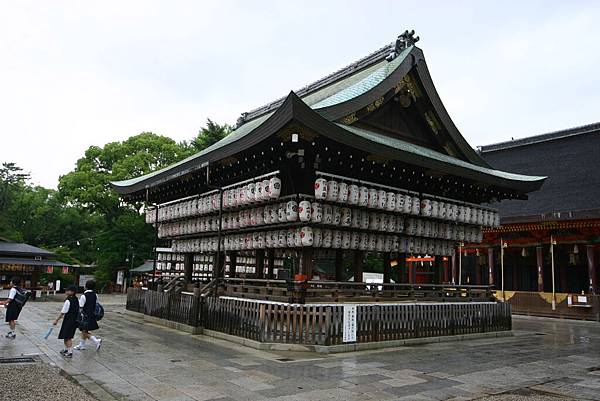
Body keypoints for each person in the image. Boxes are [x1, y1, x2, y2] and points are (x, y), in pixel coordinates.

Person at [74, 280, 102, 351]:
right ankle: (82, 345)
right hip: (92, 315)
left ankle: (96, 341)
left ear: (85, 286)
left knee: (84, 331)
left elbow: (80, 306)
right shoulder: (95, 295)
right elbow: (96, 304)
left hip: (84, 316)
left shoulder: (84, 296)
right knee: (84, 331)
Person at [52, 285, 79, 358]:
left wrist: (56, 320)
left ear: (72, 292)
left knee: (68, 337)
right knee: (66, 335)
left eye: (68, 290)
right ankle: (66, 349)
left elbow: (63, 312)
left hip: (68, 320)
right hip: (74, 320)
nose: (66, 291)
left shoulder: (68, 300)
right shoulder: (76, 299)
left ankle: (69, 351)